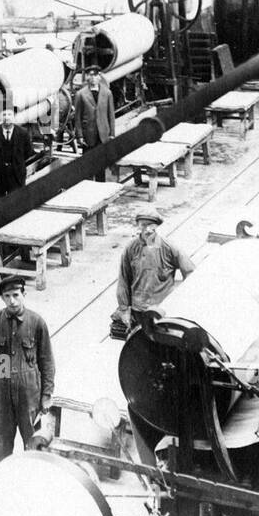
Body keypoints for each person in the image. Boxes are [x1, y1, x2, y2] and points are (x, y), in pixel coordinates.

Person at [0, 275, 55, 463]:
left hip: (29, 394)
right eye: (7, 296)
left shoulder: (37, 323)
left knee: (33, 441)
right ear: (2, 298)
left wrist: (46, 394)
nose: (12, 301)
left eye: (15, 295)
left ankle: (33, 479)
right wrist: (1, 373)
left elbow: (46, 360)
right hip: (2, 393)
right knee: (3, 442)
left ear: (24, 294)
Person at [114, 208, 195, 336]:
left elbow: (191, 273)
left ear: (156, 226)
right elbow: (123, 280)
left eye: (150, 225)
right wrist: (124, 309)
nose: (147, 229)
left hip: (163, 310)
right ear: (138, 225)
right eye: (143, 225)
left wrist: (183, 300)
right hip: (138, 310)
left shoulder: (169, 247)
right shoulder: (130, 249)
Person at [73, 68, 115, 181]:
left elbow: (111, 115)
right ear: (86, 77)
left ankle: (100, 188)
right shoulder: (80, 94)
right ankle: (87, 189)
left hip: (102, 134)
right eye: (90, 75)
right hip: (88, 135)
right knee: (87, 165)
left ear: (100, 77)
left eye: (95, 75)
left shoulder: (107, 93)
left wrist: (112, 134)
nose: (93, 78)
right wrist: (80, 135)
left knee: (101, 165)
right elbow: (77, 118)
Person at [0, 106, 31, 200]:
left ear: (14, 117)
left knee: (16, 202)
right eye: (4, 114)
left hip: (16, 175)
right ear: (0, 117)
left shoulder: (23, 133)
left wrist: (17, 163)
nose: (7, 117)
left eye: (9, 114)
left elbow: (28, 152)